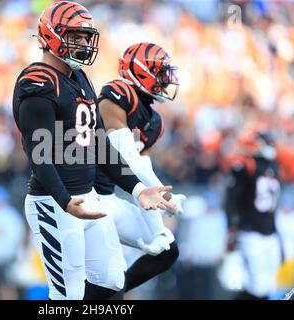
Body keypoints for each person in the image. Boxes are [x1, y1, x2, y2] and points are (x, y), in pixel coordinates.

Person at [12, 1, 176, 300]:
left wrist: (138, 189)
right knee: (67, 295)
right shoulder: (37, 81)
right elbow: (39, 154)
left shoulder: (79, 79)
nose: (85, 44)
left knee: (113, 280)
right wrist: (64, 201)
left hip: (89, 197)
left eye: (87, 37)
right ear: (52, 35)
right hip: (54, 202)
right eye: (78, 36)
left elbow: (101, 143)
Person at [94, 42, 186, 294]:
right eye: (160, 72)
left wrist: (158, 230)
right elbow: (125, 155)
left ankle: (111, 295)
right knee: (104, 274)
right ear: (141, 71)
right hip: (84, 196)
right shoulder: (117, 94)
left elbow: (143, 174)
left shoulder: (153, 120)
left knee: (167, 251)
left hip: (108, 200)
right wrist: (163, 193)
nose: (167, 79)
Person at [224, 124, 282, 300]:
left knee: (271, 284)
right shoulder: (245, 165)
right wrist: (232, 227)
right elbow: (230, 200)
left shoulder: (273, 166)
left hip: (270, 231)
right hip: (250, 230)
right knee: (257, 286)